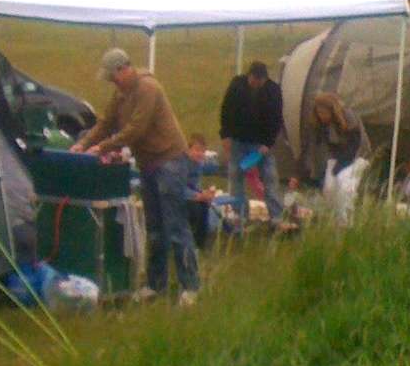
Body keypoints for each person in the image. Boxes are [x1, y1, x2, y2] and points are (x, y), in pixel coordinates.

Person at [73, 47, 200, 304]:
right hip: (148, 164)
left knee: (176, 226)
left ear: (123, 69)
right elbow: (106, 122)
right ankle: (156, 284)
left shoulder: (148, 88)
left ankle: (190, 287)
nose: (112, 82)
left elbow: (135, 129)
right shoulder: (121, 94)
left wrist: (103, 147)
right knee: (154, 227)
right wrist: (83, 144)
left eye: (113, 77)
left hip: (169, 161)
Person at [219, 60, 284, 229]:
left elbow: (277, 118)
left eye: (260, 81)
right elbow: (226, 109)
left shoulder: (273, 90)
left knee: (269, 178)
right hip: (238, 141)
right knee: (236, 177)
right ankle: (240, 215)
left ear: (265, 79)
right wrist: (225, 135)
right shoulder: (237, 85)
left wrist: (268, 143)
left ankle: (276, 217)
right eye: (254, 80)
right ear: (249, 76)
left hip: (261, 144)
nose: (257, 84)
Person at [305, 92, 369, 226]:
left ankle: (345, 223)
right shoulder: (321, 124)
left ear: (331, 110)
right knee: (328, 188)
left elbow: (355, 145)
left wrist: (340, 166)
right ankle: (332, 221)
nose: (321, 116)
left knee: (344, 184)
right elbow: (313, 147)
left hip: (357, 156)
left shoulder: (349, 117)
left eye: (324, 112)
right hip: (337, 157)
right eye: (319, 112)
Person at [185, 133, 219, 250]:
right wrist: (197, 196)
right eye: (197, 150)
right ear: (188, 150)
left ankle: (200, 244)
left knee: (205, 205)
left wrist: (205, 194)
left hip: (190, 195)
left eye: (203, 151)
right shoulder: (181, 164)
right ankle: (187, 242)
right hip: (175, 196)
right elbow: (177, 187)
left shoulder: (199, 164)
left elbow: (195, 185)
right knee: (194, 209)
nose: (200, 154)